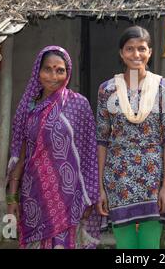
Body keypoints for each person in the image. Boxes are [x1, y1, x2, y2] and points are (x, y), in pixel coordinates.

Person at [6, 45, 101, 249]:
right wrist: (11, 198)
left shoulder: (79, 105)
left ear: (68, 73)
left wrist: (90, 196)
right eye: (47, 69)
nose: (53, 76)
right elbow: (19, 157)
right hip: (34, 196)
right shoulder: (28, 108)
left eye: (60, 70)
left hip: (69, 198)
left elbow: (90, 154)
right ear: (37, 72)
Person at [96, 26, 165, 249]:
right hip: (118, 178)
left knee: (150, 245)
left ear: (150, 51)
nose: (136, 54)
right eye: (129, 49)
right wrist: (100, 187)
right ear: (121, 53)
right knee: (126, 245)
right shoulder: (107, 90)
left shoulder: (164, 88)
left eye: (141, 48)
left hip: (153, 177)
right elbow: (101, 140)